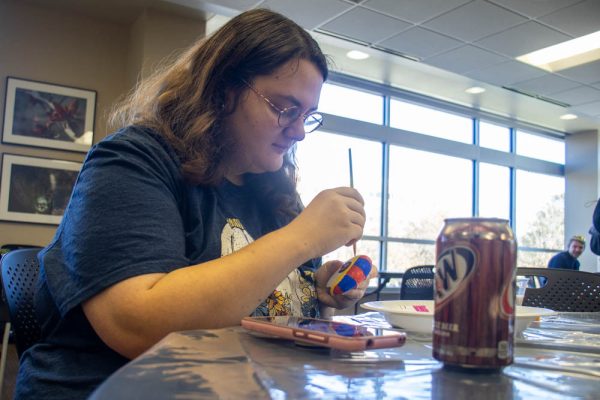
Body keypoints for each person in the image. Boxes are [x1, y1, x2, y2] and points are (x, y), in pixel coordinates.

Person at [15, 9, 377, 399]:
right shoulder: (133, 161)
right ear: (223, 90)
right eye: (285, 108)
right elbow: (136, 325)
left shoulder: (275, 195)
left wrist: (312, 289)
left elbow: (258, 305)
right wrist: (302, 239)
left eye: (308, 115)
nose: (299, 132)